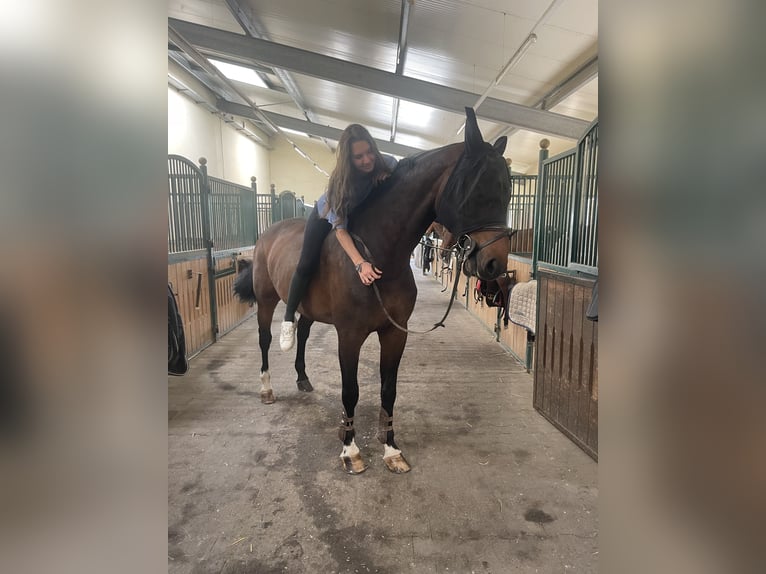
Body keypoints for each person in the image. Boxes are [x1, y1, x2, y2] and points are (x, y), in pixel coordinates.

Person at [280, 124, 398, 351]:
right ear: (348, 160)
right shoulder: (340, 187)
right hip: (326, 216)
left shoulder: (388, 163)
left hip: (360, 215)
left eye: (369, 152)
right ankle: (287, 318)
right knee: (306, 263)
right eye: (359, 157)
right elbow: (341, 231)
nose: (367, 160)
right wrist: (360, 263)